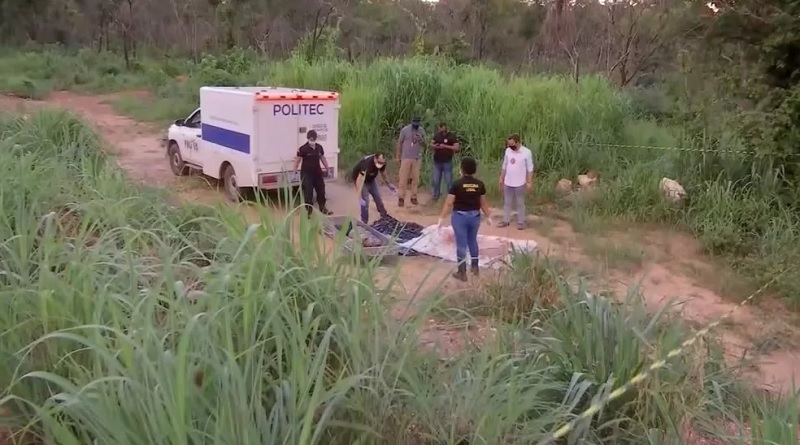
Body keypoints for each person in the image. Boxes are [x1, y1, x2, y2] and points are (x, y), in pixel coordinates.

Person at [437, 157, 493, 282]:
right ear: (474, 170)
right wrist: (488, 216)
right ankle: (474, 267)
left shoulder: (457, 184)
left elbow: (448, 203)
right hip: (475, 217)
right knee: (473, 241)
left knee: (461, 244)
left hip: (460, 217)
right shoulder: (479, 184)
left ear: (462, 169)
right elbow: (483, 202)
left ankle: (462, 272)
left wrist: (441, 218)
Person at [498, 134, 534, 230]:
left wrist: (529, 182)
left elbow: (530, 168)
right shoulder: (508, 151)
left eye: (512, 144)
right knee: (507, 202)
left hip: (520, 182)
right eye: (509, 144)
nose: (510, 146)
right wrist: (501, 177)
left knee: (520, 203)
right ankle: (505, 220)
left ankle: (521, 222)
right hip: (508, 181)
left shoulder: (526, 152)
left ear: (518, 142)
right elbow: (504, 165)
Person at [292, 129, 332, 217]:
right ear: (307, 138)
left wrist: (328, 169)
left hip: (317, 173)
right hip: (306, 174)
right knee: (308, 193)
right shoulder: (303, 149)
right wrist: (294, 172)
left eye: (313, 139)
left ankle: (323, 208)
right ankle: (308, 212)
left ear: (315, 139)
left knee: (321, 191)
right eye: (310, 139)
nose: (312, 141)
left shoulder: (319, 147)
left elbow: (322, 158)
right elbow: (297, 161)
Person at [350, 153, 397, 224]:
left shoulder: (382, 163)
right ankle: (364, 221)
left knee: (378, 197)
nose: (380, 165)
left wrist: (389, 184)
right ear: (375, 158)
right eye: (379, 162)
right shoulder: (367, 164)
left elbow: (383, 173)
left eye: (382, 163)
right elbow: (359, 180)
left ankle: (384, 215)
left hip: (371, 180)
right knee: (365, 202)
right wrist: (359, 196)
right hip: (361, 180)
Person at [395, 116, 426, 207]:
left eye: (417, 122)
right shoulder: (405, 130)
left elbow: (425, 143)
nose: (416, 124)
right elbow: (399, 143)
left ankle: (414, 197)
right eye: (414, 122)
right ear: (411, 122)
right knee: (403, 179)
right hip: (406, 157)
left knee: (415, 179)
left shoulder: (421, 130)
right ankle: (401, 198)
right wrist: (398, 156)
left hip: (417, 158)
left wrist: (421, 140)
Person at [430, 122, 460, 202]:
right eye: (439, 127)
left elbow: (457, 148)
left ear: (446, 127)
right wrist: (434, 146)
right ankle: (435, 197)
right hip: (437, 161)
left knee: (449, 181)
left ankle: (450, 198)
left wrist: (445, 146)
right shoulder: (437, 135)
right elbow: (431, 144)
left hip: (447, 161)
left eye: (442, 127)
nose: (440, 129)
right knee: (436, 180)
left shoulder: (452, 136)